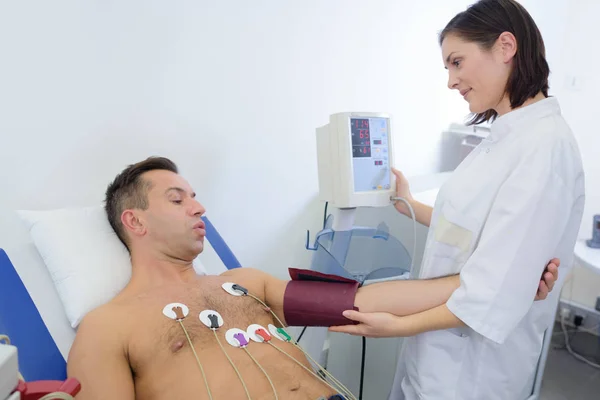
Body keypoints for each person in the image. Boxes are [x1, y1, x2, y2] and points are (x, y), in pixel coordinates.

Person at [67, 156, 560, 399]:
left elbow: (361, 301)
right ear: (135, 221)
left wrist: (502, 279)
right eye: (177, 199)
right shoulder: (107, 327)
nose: (199, 207)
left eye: (194, 195)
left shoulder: (242, 282)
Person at [329, 1, 586, 399]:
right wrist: (409, 205)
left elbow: (496, 289)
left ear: (505, 47)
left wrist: (396, 326)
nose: (451, 80)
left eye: (457, 62)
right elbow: (473, 232)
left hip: (471, 373)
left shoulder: (543, 149)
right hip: (438, 356)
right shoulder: (506, 136)